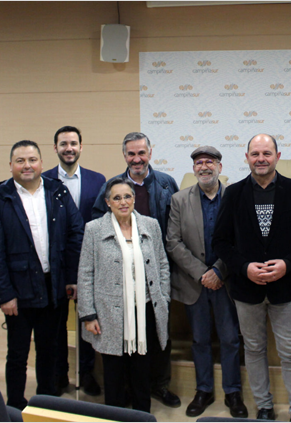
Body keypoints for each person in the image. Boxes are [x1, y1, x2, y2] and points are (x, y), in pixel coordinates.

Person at [212, 134, 291, 421]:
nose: (261, 158)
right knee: (255, 350)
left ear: (277, 156)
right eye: (255, 153)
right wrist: (243, 267)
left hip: (287, 288)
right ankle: (265, 407)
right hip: (246, 291)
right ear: (246, 157)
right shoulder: (232, 193)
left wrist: (287, 263)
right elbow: (220, 242)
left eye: (267, 153)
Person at [0, 140, 84, 410]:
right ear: (11, 165)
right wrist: (4, 295)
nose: (27, 165)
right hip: (17, 290)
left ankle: (45, 403)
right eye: (20, 160)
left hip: (54, 287)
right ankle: (14, 404)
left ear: (41, 162)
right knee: (17, 353)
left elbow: (75, 235)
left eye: (32, 160)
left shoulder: (57, 191)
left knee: (49, 350)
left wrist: (71, 277)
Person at [91, 131, 180, 407]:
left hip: (155, 273)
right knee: (125, 339)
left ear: (150, 153)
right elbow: (98, 225)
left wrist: (163, 287)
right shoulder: (111, 186)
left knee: (157, 337)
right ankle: (128, 391)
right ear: (125, 156)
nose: (137, 158)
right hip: (119, 277)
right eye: (131, 153)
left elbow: (175, 225)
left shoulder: (167, 184)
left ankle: (159, 386)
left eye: (142, 153)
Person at [166, 146, 248, 418]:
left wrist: (218, 271)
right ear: (194, 169)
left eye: (209, 162)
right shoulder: (179, 200)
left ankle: (233, 391)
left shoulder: (235, 197)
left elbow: (241, 240)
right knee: (199, 340)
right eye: (199, 163)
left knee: (230, 339)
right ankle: (203, 390)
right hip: (195, 283)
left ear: (220, 168)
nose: (204, 167)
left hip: (226, 283)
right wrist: (202, 273)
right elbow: (173, 242)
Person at [77, 177, 171, 413]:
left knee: (142, 371)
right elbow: (85, 273)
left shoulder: (151, 225)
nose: (123, 202)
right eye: (116, 198)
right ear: (107, 202)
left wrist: (164, 299)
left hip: (146, 310)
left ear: (134, 199)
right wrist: (88, 314)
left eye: (127, 196)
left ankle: (142, 415)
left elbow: (162, 265)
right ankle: (115, 416)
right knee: (114, 373)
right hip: (109, 312)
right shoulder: (94, 229)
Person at [43, 125, 106, 396]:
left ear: (81, 147)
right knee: (56, 325)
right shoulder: (43, 180)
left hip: (89, 264)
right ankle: (59, 375)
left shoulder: (97, 180)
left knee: (88, 323)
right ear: (55, 148)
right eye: (63, 143)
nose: (69, 148)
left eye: (73, 143)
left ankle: (87, 373)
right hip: (55, 266)